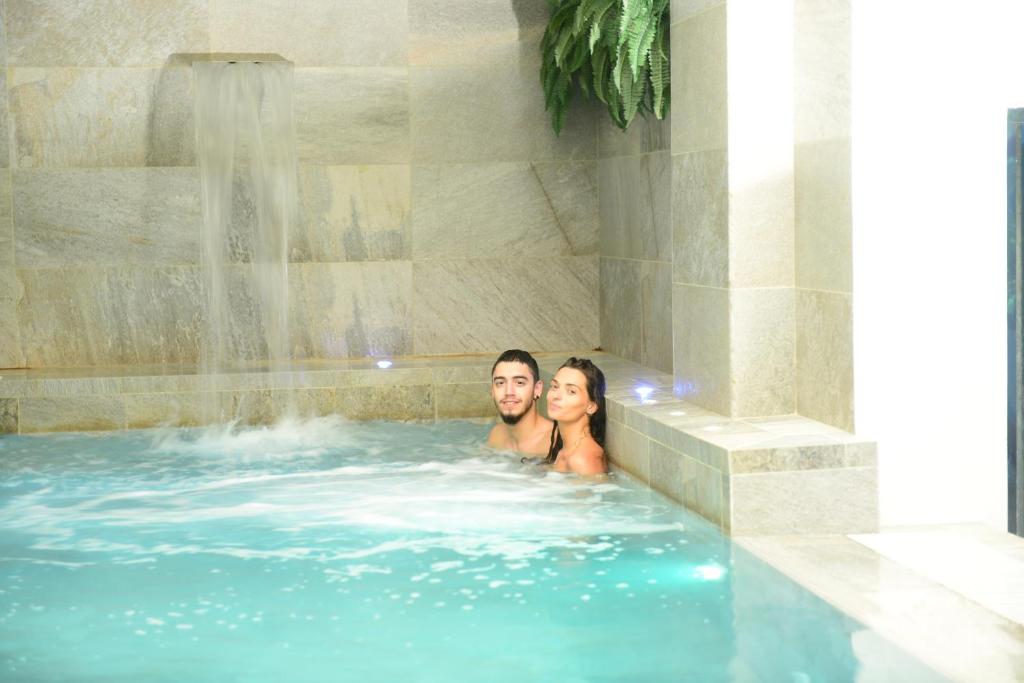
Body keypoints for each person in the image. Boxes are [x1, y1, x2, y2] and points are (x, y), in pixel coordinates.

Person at [545, 357, 607, 476]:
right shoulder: (565, 450)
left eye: (571, 391)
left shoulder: (583, 460)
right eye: (555, 386)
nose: (556, 396)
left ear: (591, 406)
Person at [486, 349, 554, 456]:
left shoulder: (555, 444)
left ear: (537, 389)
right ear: (492, 391)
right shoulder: (496, 435)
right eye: (500, 383)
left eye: (519, 382)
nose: (508, 392)